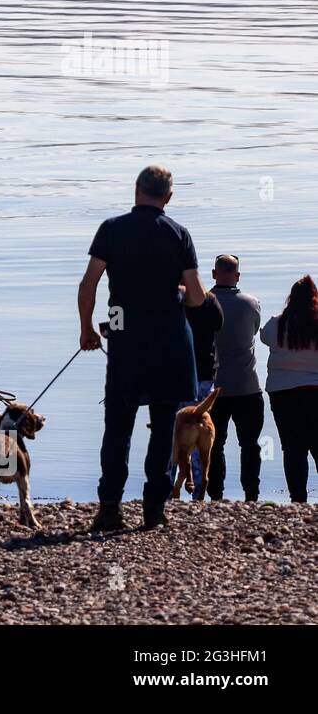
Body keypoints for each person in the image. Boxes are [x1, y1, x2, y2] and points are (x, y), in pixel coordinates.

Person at [79, 166, 207, 531]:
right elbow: (196, 297)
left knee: (118, 426)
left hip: (126, 338)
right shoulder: (178, 234)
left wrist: (86, 329)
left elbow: (89, 284)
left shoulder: (111, 229)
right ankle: (154, 508)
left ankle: (109, 507)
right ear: (169, 197)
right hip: (169, 342)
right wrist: (180, 294)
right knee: (163, 424)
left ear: (136, 190)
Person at [207, 254, 265, 501]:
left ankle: (215, 495)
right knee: (250, 444)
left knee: (214, 444)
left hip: (213, 387)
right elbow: (253, 331)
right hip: (247, 386)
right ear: (237, 276)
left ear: (213, 274)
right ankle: (251, 494)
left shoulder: (201, 303)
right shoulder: (251, 303)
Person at [259, 275, 318, 503]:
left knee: (293, 448)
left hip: (283, 393)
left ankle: (297, 499)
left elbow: (264, 337)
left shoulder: (277, 323)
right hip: (315, 391)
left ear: (290, 299)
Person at [166, 279, 224, 490]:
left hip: (175, 375)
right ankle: (199, 489)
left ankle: (167, 486)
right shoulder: (209, 300)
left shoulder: (171, 300)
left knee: (173, 434)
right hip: (204, 374)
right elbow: (219, 324)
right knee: (201, 431)